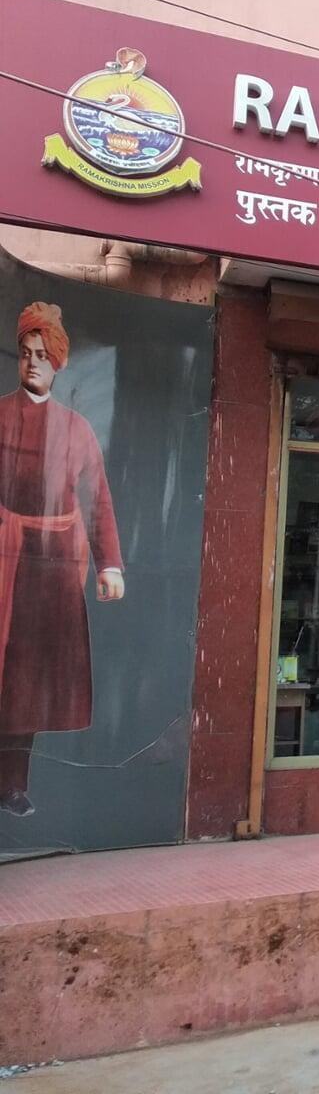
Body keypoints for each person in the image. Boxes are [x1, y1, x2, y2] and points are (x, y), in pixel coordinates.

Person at [0, 303, 123, 816]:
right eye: (26, 354)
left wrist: (109, 564)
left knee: (29, 679)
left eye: (42, 355)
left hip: (52, 567)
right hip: (4, 552)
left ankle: (11, 786)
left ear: (58, 363)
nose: (33, 363)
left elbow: (97, 499)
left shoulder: (76, 428)